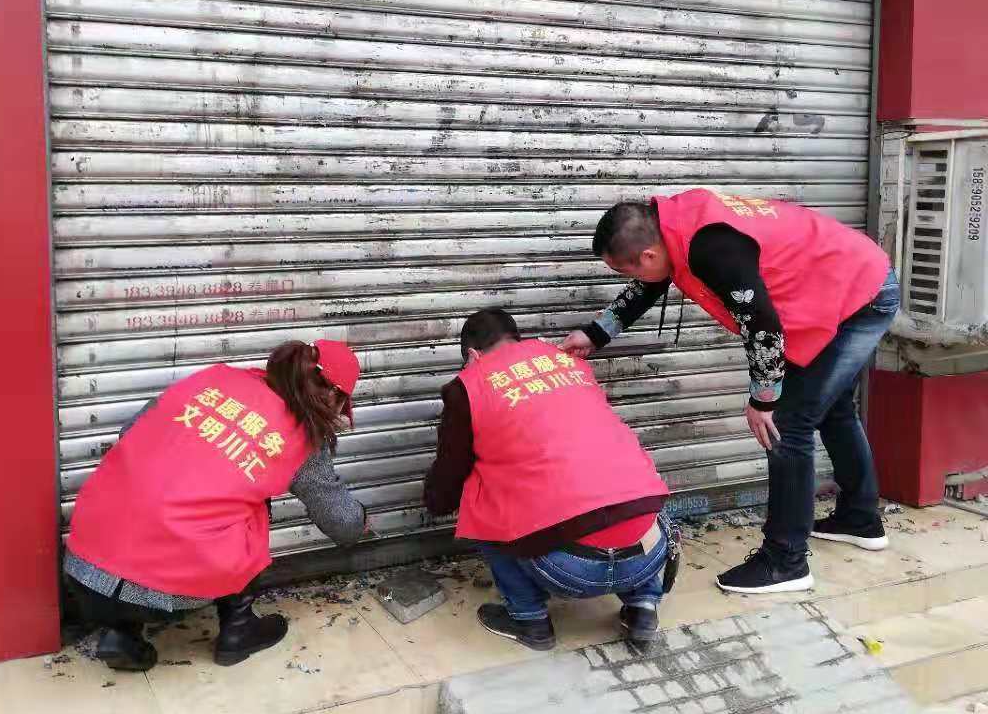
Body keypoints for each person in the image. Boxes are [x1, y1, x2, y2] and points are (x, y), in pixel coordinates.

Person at [562, 191, 899, 595]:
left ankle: (785, 561)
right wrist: (596, 333)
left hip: (861, 297)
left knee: (786, 425)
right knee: (833, 408)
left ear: (648, 254)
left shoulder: (712, 247)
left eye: (624, 270)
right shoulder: (672, 225)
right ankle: (859, 519)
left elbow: (762, 324)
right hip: (842, 283)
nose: (627, 278)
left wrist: (764, 399)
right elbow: (652, 281)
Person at [64, 339, 367, 671]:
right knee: (249, 506)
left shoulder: (216, 379)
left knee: (154, 486)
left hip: (83, 567)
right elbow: (340, 522)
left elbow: (129, 431)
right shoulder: (301, 437)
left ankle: (121, 632)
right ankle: (238, 628)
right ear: (333, 396)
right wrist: (361, 521)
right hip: (163, 591)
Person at [424, 307, 675, 652]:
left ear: (472, 355)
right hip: (651, 554)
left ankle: (530, 620)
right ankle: (644, 607)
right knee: (621, 480)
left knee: (481, 488)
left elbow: (452, 470)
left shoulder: (470, 385)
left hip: (569, 570)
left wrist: (435, 503)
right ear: (517, 340)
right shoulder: (567, 361)